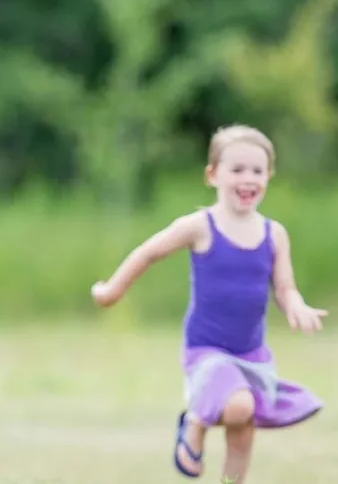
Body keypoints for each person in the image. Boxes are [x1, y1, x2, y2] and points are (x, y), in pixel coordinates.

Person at [90, 125, 325, 484]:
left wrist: (297, 305)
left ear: (269, 177)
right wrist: (111, 291)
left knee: (243, 428)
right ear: (213, 175)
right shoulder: (200, 226)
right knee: (240, 405)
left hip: (252, 355)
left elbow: (284, 287)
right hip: (206, 350)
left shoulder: (273, 234)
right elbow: (149, 252)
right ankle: (197, 420)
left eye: (258, 171)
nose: (248, 179)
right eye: (237, 170)